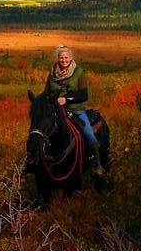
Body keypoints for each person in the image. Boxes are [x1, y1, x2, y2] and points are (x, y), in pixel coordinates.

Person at [44, 46, 103, 174]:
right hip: (56, 111)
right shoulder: (52, 73)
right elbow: (47, 92)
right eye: (61, 58)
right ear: (57, 59)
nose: (64, 60)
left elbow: (83, 95)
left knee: (88, 134)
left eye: (66, 57)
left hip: (75, 110)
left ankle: (96, 164)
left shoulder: (78, 72)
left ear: (70, 58)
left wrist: (67, 99)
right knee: (40, 131)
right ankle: (36, 161)